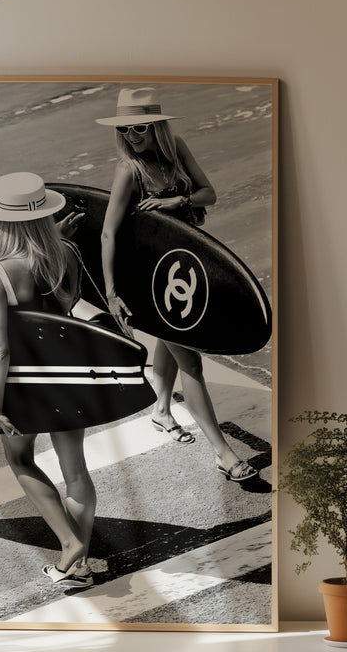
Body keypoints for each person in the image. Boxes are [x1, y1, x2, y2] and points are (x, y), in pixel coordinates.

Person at [97, 88, 257, 482]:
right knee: (192, 361)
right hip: (148, 279)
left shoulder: (175, 150)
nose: (133, 136)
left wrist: (175, 202)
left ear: (157, 126)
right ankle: (223, 453)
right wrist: (112, 293)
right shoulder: (128, 171)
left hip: (182, 271)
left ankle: (162, 410)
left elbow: (209, 193)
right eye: (126, 129)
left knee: (173, 344)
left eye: (140, 127)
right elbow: (108, 234)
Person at [0, 171, 97, 587]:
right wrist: (56, 239)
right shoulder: (68, 252)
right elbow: (63, 305)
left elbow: (1, 348)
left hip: (27, 382)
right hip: (69, 373)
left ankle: (69, 544)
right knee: (75, 470)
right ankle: (77, 567)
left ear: (1, 222)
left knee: (20, 458)